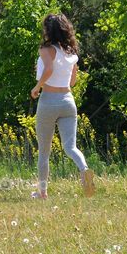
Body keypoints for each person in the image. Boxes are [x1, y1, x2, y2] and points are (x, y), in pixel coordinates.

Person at [29, 13, 96, 199]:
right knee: (70, 147)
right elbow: (73, 81)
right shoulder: (71, 52)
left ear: (48, 30)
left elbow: (49, 69)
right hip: (68, 101)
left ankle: (42, 192)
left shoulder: (45, 49)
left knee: (44, 152)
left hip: (49, 101)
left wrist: (36, 87)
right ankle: (85, 171)